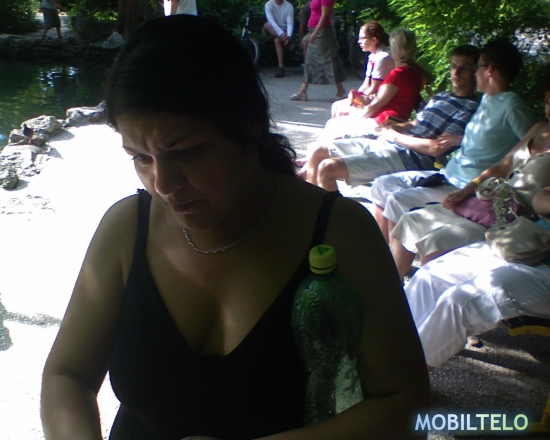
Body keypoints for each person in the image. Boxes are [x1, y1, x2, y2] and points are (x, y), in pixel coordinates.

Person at [40, 15, 429, 439]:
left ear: (249, 125)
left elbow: (405, 405)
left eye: (187, 152)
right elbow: (67, 375)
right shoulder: (127, 228)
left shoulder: (341, 233)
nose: (163, 185)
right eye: (140, 157)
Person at [371, 39, 536, 242]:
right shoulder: (488, 98)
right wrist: (460, 139)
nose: (474, 73)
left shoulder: (512, 105)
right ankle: (381, 248)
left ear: (489, 70)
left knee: (397, 200)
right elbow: (493, 136)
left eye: (477, 67)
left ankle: (388, 255)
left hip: (465, 186)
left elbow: (533, 147)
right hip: (447, 174)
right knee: (382, 184)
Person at [389, 81, 550, 279]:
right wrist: (467, 190)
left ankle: (417, 293)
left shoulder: (511, 105)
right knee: (410, 221)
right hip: (488, 201)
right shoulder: (540, 128)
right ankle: (389, 288)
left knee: (435, 241)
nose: (549, 111)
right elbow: (502, 166)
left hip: (513, 220)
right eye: (547, 103)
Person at [403, 187, 550, 369]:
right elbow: (540, 200)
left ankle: (402, 377)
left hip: (544, 271)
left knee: (460, 302)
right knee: (430, 276)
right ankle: (390, 348)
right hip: (528, 244)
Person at [301, 45, 479, 191]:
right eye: (454, 66)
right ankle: (312, 207)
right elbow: (416, 123)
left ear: (476, 73)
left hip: (410, 158)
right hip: (390, 144)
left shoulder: (470, 108)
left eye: (464, 68)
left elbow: (435, 148)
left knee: (328, 168)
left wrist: (393, 135)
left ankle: (331, 219)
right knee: (317, 150)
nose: (456, 72)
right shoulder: (441, 97)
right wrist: (393, 128)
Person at [321, 29, 424, 141]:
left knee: (333, 125)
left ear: (394, 50)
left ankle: (325, 150)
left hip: (384, 122)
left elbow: (375, 106)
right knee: (339, 119)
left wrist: (355, 116)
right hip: (398, 119)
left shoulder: (397, 74)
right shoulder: (417, 70)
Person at [331, 21, 394, 119]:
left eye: (362, 38)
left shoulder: (383, 58)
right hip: (371, 98)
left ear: (374, 40)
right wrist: (355, 97)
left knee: (341, 110)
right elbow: (366, 85)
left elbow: (374, 88)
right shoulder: (373, 56)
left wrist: (355, 101)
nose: (359, 41)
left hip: (379, 100)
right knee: (336, 105)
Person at [289, 0, 346, 102]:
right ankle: (303, 92)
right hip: (313, 30)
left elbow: (325, 16)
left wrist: (315, 33)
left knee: (329, 61)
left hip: (323, 32)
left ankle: (340, 91)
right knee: (309, 61)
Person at [263, 0, 295, 78]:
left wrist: (289, 36)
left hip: (284, 32)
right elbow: (271, 21)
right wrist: (281, 34)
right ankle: (287, 42)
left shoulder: (289, 6)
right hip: (272, 31)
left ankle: (281, 68)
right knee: (267, 25)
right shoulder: (269, 5)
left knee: (277, 41)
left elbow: (290, 24)